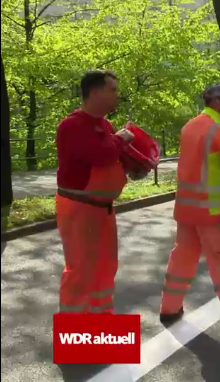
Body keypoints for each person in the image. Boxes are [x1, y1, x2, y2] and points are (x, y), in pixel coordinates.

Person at [159, 84, 220, 331]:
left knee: (181, 259)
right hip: (214, 213)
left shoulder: (190, 126)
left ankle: (169, 309)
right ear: (217, 101)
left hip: (187, 210)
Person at [56, 70, 135, 314]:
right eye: (112, 90)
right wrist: (121, 139)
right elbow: (101, 155)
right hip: (79, 207)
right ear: (94, 92)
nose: (117, 95)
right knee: (80, 271)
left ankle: (100, 332)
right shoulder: (72, 125)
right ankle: (73, 339)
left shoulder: (104, 124)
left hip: (102, 208)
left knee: (105, 268)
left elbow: (110, 158)